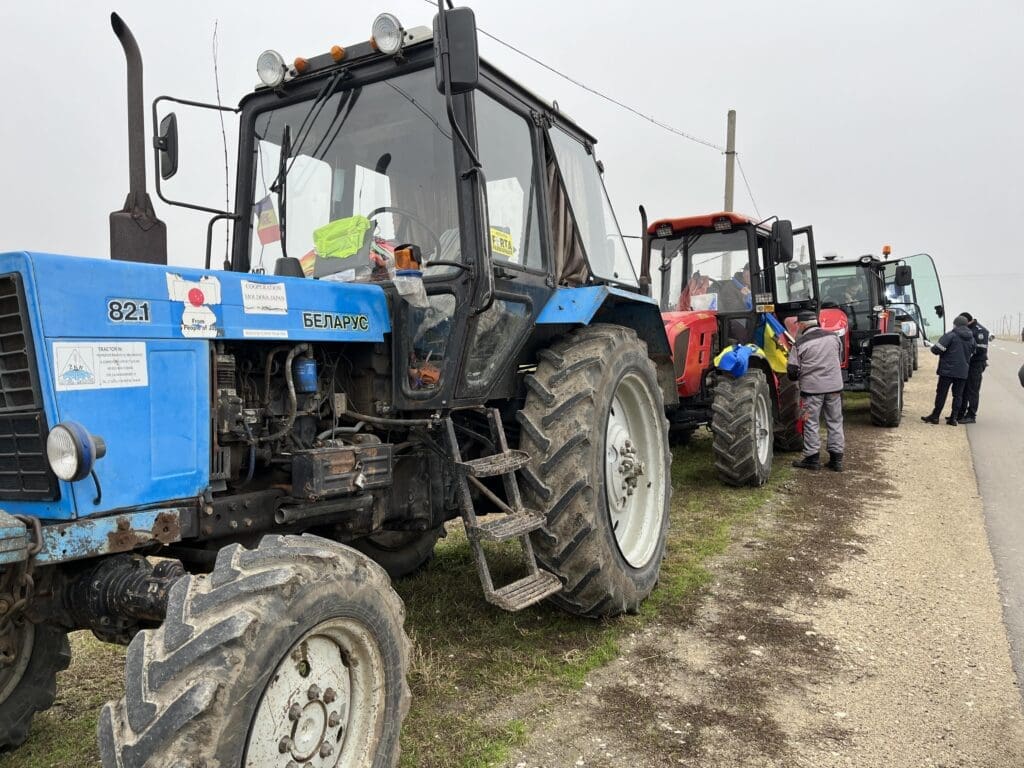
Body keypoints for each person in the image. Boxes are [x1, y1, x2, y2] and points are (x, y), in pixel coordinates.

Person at [787, 310, 845, 471]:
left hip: (812, 390)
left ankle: (812, 459)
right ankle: (836, 460)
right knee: (835, 421)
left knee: (811, 422)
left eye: (798, 324)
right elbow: (838, 358)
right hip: (834, 388)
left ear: (802, 324)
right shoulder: (833, 337)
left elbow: (792, 371)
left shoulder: (799, 344)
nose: (798, 327)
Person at [921, 315, 975, 426]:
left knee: (941, 393)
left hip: (947, 371)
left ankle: (935, 416)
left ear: (955, 324)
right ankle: (953, 419)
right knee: (958, 395)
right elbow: (973, 352)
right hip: (963, 372)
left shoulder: (951, 335)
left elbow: (937, 350)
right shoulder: (972, 338)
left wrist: (932, 346)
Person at [955, 312, 989, 423]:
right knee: (963, 389)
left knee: (972, 390)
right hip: (966, 363)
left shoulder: (980, 331)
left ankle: (971, 415)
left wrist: (966, 351)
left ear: (968, 321)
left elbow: (981, 349)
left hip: (976, 364)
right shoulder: (966, 329)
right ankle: (960, 414)